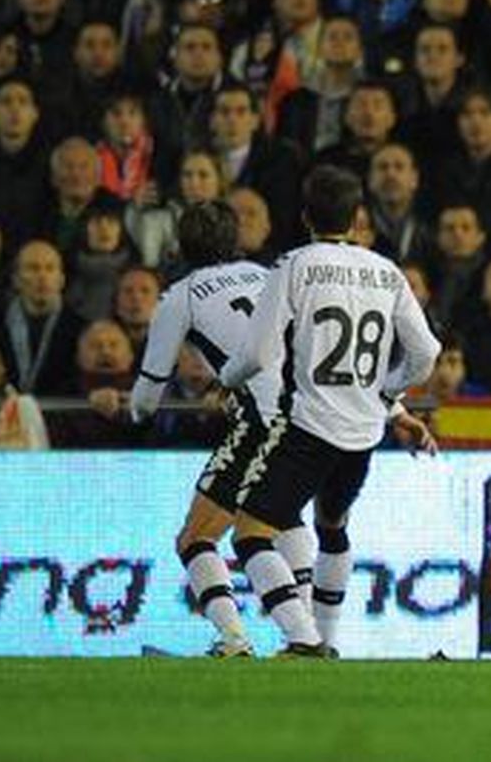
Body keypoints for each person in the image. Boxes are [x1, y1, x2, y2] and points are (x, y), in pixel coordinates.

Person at [222, 166, 440, 656]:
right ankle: (328, 641)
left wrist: (227, 380)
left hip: (309, 424)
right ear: (357, 217)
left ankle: (303, 638)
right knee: (332, 526)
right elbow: (425, 351)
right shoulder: (386, 271)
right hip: (364, 431)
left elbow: (258, 353)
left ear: (304, 217)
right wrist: (387, 397)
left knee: (252, 532)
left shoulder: (294, 265)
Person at [130, 201, 285, 656]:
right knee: (285, 529)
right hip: (315, 412)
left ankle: (236, 638)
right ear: (236, 238)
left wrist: (135, 414)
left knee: (196, 537)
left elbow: (149, 389)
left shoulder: (180, 296)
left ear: (181, 245)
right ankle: (312, 636)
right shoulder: (269, 274)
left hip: (262, 418)